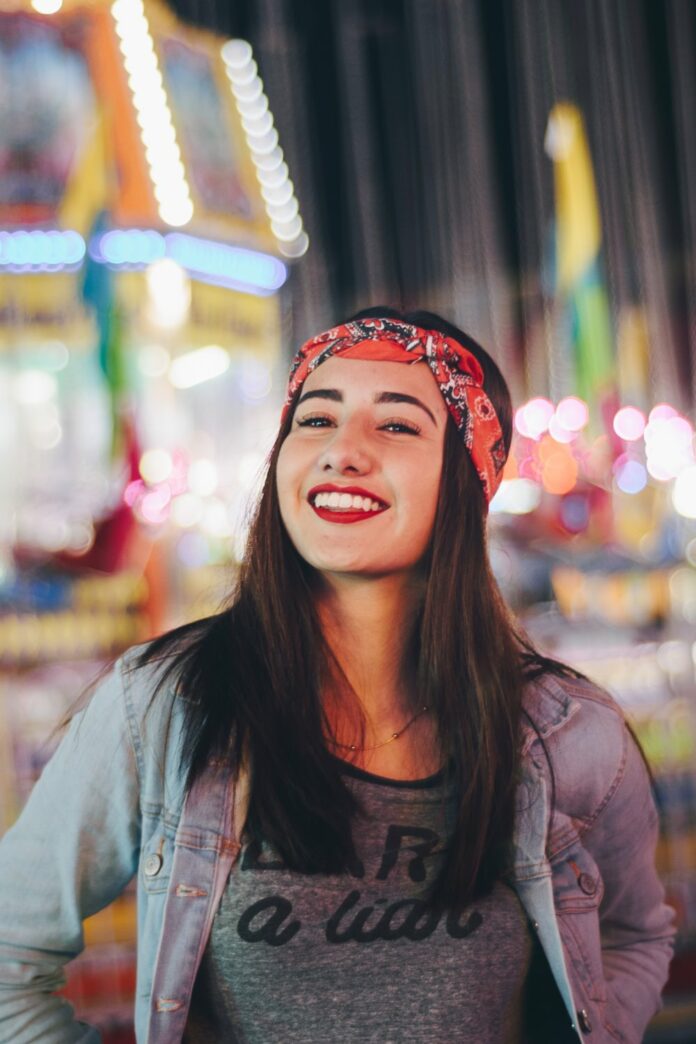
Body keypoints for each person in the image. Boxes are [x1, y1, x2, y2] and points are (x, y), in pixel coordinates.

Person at [0, 308, 676, 1043]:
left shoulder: (567, 730)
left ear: (469, 476)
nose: (342, 452)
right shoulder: (167, 703)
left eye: (396, 425)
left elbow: (631, 938)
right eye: (315, 420)